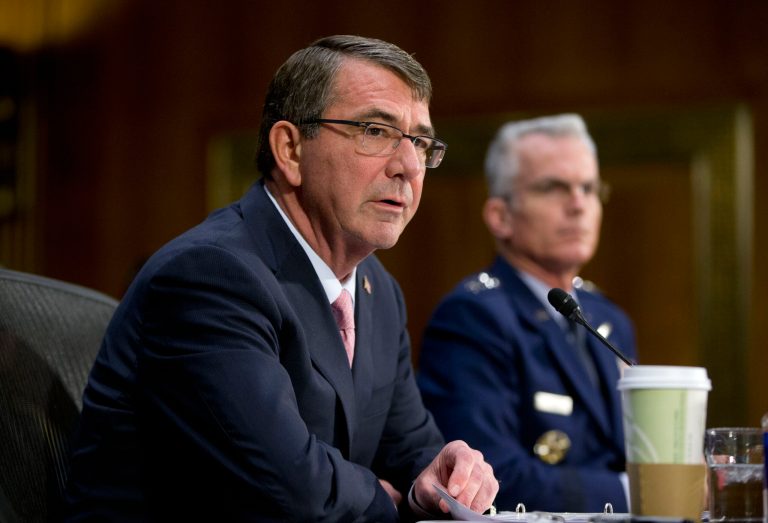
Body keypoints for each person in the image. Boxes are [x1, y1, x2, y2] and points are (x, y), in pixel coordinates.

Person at [63, 35, 498, 522]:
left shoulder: (375, 290)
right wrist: (393, 499)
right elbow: (292, 489)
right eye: (376, 131)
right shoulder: (209, 277)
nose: (409, 166)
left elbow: (410, 450)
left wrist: (445, 477)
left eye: (420, 142)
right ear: (290, 149)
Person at [417, 114, 637, 513]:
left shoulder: (608, 319)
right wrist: (635, 492)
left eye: (588, 188)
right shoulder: (472, 317)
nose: (578, 204)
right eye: (554, 187)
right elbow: (490, 480)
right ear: (500, 216)